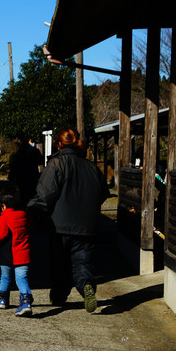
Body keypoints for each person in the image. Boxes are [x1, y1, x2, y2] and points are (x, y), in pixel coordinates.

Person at [27, 128, 110, 313]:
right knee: (82, 262)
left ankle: (58, 296)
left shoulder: (56, 164)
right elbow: (103, 193)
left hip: (59, 225)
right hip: (87, 226)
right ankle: (86, 285)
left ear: (59, 144)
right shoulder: (91, 167)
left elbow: (45, 195)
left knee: (60, 263)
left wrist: (29, 211)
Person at [0, 186, 34, 316]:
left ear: (3, 206)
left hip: (6, 256)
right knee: (22, 279)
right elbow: (31, 225)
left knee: (5, 278)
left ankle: (3, 300)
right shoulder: (26, 217)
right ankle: (26, 302)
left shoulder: (3, 219)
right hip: (23, 256)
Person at [9, 135, 44, 202]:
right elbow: (40, 161)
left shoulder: (19, 152)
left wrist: (11, 176)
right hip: (32, 177)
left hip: (21, 178)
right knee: (32, 196)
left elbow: (14, 165)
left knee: (22, 197)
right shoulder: (34, 151)